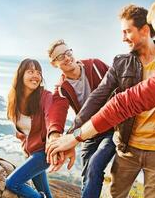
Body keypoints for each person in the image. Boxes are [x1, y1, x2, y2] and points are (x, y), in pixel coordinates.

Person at [46, 0, 155, 197]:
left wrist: (75, 137)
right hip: (128, 148)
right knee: (99, 173)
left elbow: (128, 102)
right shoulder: (122, 63)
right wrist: (70, 134)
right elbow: (96, 98)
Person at [46, 39, 116, 198]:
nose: (66, 58)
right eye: (60, 57)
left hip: (111, 128)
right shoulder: (61, 89)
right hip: (87, 133)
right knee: (87, 175)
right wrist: (54, 137)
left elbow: (119, 86)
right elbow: (57, 112)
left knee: (94, 165)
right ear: (53, 64)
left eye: (67, 52)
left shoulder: (96, 66)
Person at [5, 58, 53, 198]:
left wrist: (54, 134)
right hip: (32, 152)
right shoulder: (14, 99)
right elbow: (22, 129)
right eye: (30, 71)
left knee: (12, 183)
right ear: (21, 75)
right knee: (47, 194)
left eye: (38, 72)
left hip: (44, 152)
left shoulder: (45, 96)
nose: (35, 76)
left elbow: (52, 117)